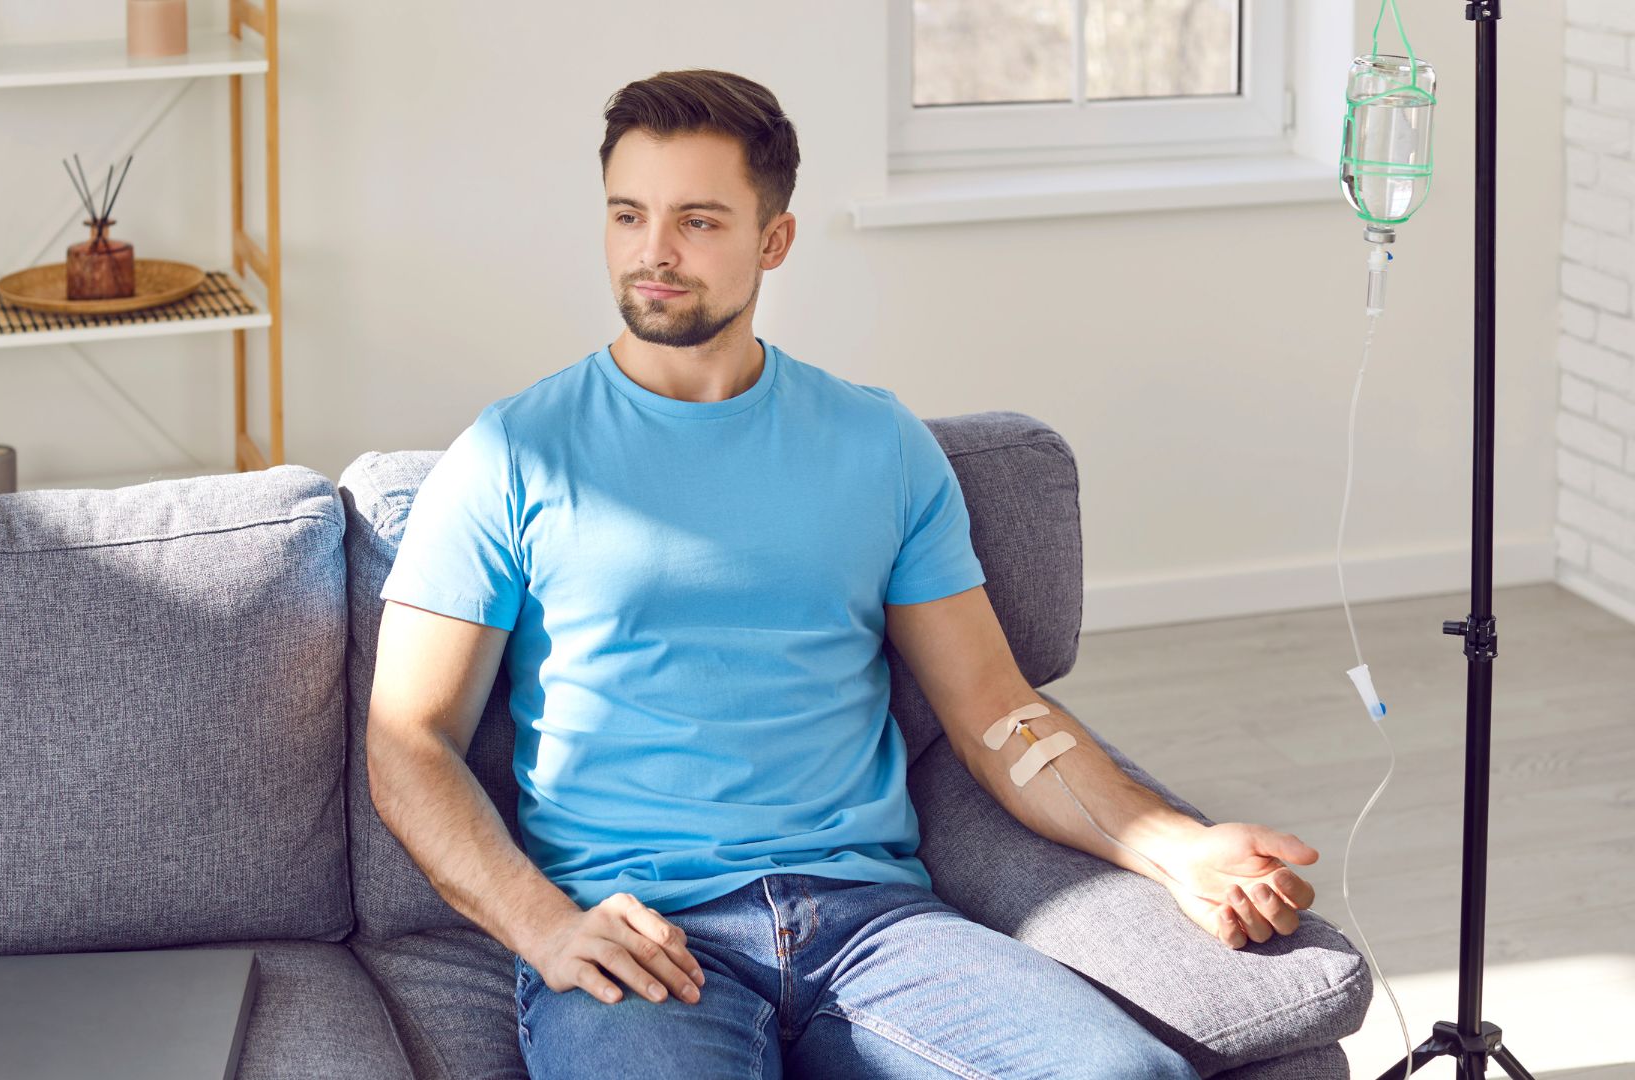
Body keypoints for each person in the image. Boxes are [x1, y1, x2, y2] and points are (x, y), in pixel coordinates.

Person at [366, 67, 1319, 1080]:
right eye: (628, 215)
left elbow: (999, 714)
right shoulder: (515, 453)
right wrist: (544, 927)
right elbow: (408, 745)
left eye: (698, 221)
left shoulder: (880, 446)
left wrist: (1178, 848)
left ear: (774, 240)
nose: (653, 253)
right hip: (639, 941)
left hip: (873, 926)